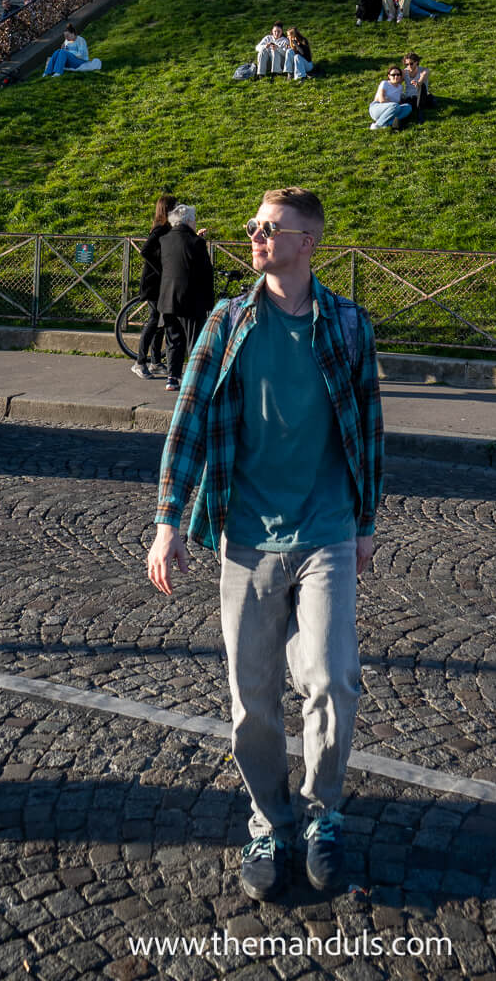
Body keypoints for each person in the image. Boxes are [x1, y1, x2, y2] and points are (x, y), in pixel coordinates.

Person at [147, 187, 382, 902]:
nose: (255, 235)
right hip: (246, 535)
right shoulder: (228, 322)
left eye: (270, 227)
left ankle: (321, 815)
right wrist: (168, 522)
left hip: (326, 530)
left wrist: (365, 522)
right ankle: (269, 823)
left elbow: (368, 423)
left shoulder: (348, 324)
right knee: (252, 699)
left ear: (308, 242)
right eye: (253, 225)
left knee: (331, 678)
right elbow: (189, 420)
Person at [155, 204, 215, 390]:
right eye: (194, 220)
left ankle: (172, 378)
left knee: (173, 340)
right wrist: (209, 302)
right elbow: (206, 273)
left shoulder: (164, 240)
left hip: (167, 299)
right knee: (194, 341)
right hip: (191, 299)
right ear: (188, 221)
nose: (195, 223)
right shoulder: (196, 242)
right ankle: (193, 379)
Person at [132, 192, 176, 379]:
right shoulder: (160, 229)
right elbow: (145, 251)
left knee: (160, 322)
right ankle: (140, 362)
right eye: (175, 207)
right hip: (153, 282)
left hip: (160, 282)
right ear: (168, 210)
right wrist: (160, 266)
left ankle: (156, 361)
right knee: (154, 320)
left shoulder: (165, 228)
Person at [369, 65, 412, 130]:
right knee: (395, 106)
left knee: (408, 107)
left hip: (391, 110)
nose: (396, 76)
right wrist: (393, 104)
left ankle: (387, 123)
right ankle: (377, 125)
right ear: (389, 76)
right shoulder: (385, 83)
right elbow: (382, 99)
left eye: (398, 74)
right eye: (393, 75)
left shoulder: (400, 87)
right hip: (377, 108)